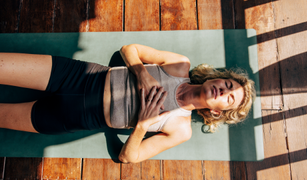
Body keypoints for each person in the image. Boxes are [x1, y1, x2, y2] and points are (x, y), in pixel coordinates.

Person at [0, 44, 255, 163]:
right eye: (229, 85)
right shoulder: (180, 65)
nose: (224, 90)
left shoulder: (180, 129)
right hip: (81, 76)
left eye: (228, 98)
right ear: (220, 78)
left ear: (216, 111)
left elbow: (129, 157)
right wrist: (141, 73)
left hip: (73, 117)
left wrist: (142, 125)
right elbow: (129, 49)